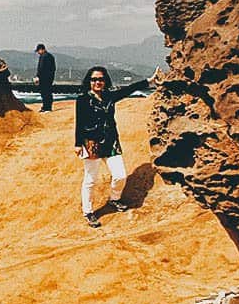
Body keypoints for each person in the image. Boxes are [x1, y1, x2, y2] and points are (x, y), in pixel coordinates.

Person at [74, 65, 158, 227]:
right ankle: (88, 211)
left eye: (101, 79)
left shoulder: (109, 97)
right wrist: (78, 144)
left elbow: (129, 90)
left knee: (120, 175)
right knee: (91, 179)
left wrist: (149, 81)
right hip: (92, 143)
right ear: (89, 81)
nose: (98, 82)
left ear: (105, 81)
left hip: (111, 142)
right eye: (94, 79)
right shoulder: (83, 99)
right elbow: (80, 123)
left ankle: (114, 199)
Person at [34, 43, 56, 111]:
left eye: (38, 51)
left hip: (44, 78)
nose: (38, 52)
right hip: (49, 77)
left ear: (41, 49)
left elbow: (41, 68)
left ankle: (46, 107)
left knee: (45, 93)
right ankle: (47, 107)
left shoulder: (44, 56)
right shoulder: (50, 56)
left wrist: (38, 76)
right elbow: (53, 68)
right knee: (48, 92)